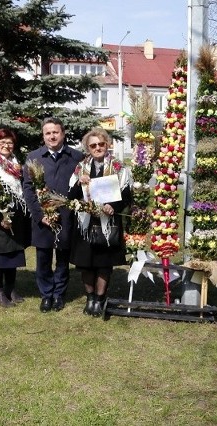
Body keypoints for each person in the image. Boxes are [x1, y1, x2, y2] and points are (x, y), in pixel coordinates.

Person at [23, 117, 84, 312]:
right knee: (43, 258)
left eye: (55, 132)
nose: (52, 136)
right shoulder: (33, 157)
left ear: (63, 133)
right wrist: (40, 215)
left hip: (66, 217)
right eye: (48, 133)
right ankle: (46, 295)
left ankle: (59, 294)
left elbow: (83, 188)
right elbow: (28, 189)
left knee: (63, 258)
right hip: (43, 218)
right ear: (43, 136)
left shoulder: (76, 157)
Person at [68, 128, 132, 317]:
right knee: (85, 263)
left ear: (107, 145)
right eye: (93, 145)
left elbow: (126, 195)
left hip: (108, 223)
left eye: (101, 144)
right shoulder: (81, 167)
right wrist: (79, 182)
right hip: (86, 223)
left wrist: (114, 206)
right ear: (88, 148)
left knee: (104, 263)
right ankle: (90, 299)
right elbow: (71, 196)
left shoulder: (119, 167)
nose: (98, 148)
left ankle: (100, 297)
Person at [0, 128, 30, 308]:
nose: (7, 146)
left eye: (10, 143)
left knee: (14, 253)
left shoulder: (14, 163)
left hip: (15, 215)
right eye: (3, 143)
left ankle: (11, 288)